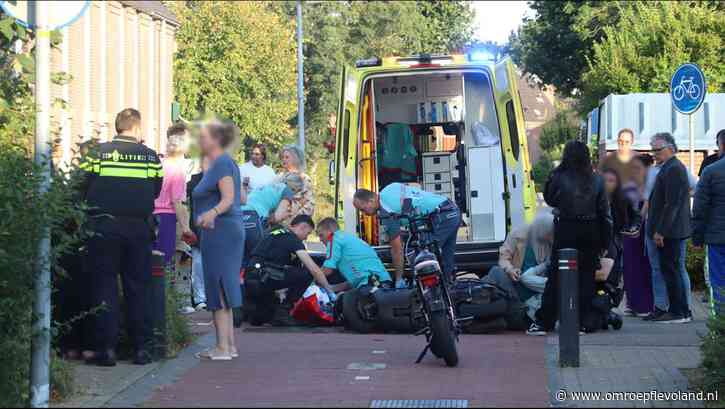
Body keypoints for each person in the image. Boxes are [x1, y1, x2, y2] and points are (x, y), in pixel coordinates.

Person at [79, 108, 163, 366]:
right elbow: (156, 190)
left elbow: (80, 185)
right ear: (137, 129)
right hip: (138, 229)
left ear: (117, 127)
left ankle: (106, 350)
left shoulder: (97, 154)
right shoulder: (150, 157)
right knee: (138, 288)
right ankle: (141, 349)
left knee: (104, 286)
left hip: (103, 227)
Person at [528, 140, 612, 336]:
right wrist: (605, 241)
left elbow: (549, 199)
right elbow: (604, 213)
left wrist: (554, 176)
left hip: (567, 228)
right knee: (586, 278)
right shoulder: (597, 179)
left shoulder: (559, 176)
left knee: (556, 276)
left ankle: (544, 321)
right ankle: (583, 322)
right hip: (591, 230)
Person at [192, 121, 246, 360]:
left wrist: (210, 214)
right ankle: (229, 345)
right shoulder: (224, 163)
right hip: (224, 230)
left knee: (217, 285)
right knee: (225, 283)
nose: (199, 141)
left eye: (203, 137)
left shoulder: (222, 163)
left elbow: (229, 198)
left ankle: (222, 347)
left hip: (220, 231)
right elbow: (242, 197)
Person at [353, 182, 461, 285]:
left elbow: (397, 249)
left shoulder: (386, 210)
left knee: (418, 256)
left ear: (371, 201)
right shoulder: (389, 188)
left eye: (363, 209)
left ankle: (424, 291)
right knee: (446, 259)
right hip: (451, 210)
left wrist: (399, 279)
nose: (365, 214)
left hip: (442, 216)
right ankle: (450, 289)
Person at [244, 215, 336, 326]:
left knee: (263, 317)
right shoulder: (292, 238)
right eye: (308, 233)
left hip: (251, 278)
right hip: (264, 277)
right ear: (302, 227)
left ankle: (262, 312)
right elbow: (314, 269)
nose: (306, 238)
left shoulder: (274, 232)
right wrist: (329, 289)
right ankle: (284, 311)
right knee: (306, 274)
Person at [642, 143, 697, 321]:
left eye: (658, 150)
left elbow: (671, 203)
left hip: (670, 231)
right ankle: (671, 309)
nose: (654, 154)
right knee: (666, 269)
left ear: (671, 148)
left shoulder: (674, 168)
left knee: (673, 269)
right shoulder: (667, 168)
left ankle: (679, 311)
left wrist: (660, 231)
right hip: (664, 228)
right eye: (653, 150)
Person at [153, 123, 194, 313]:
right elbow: (178, 202)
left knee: (152, 262)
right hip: (167, 218)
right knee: (166, 263)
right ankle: (165, 308)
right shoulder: (177, 170)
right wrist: (186, 227)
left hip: (151, 217)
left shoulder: (159, 163)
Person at [486, 210, 555, 320]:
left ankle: (519, 308)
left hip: (537, 289)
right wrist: (510, 270)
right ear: (542, 231)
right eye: (548, 234)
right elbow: (504, 258)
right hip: (515, 285)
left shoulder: (549, 242)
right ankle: (518, 307)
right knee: (496, 271)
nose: (550, 237)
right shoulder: (517, 234)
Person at [601, 168, 646, 315]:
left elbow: (636, 216)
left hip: (615, 239)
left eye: (612, 181)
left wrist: (632, 227)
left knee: (613, 275)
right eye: (605, 180)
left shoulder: (622, 198)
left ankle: (608, 306)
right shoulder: (593, 197)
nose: (608, 184)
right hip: (598, 242)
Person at [240, 173, 305, 270]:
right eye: (297, 191)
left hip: (239, 217)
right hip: (254, 218)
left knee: (243, 261)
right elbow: (277, 217)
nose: (295, 194)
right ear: (295, 187)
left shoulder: (268, 186)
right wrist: (285, 217)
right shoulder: (287, 190)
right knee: (259, 260)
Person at [619, 155, 655, 316]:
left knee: (643, 265)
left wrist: (638, 222)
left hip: (641, 228)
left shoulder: (650, 184)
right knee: (630, 266)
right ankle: (632, 303)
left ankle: (644, 305)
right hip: (630, 229)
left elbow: (646, 206)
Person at [316, 217, 393, 291]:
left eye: (321, 235)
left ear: (330, 231)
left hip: (370, 283)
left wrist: (311, 282)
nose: (320, 239)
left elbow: (327, 270)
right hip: (383, 282)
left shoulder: (334, 238)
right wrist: (332, 288)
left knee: (345, 301)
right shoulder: (350, 238)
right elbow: (355, 281)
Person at [692, 146, 725, 315]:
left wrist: (697, 237)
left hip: (717, 237)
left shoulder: (711, 171)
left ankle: (719, 328)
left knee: (718, 282)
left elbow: (699, 207)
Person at [187, 155, 209, 311]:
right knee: (199, 264)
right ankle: (200, 298)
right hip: (198, 227)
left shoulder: (221, 180)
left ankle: (212, 296)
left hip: (216, 228)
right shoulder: (194, 180)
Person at [277, 145, 315, 226]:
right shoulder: (279, 177)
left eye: (287, 157)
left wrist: (295, 221)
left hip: (294, 226)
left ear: (295, 159)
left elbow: (309, 205)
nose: (284, 160)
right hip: (277, 224)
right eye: (282, 157)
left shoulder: (304, 178)